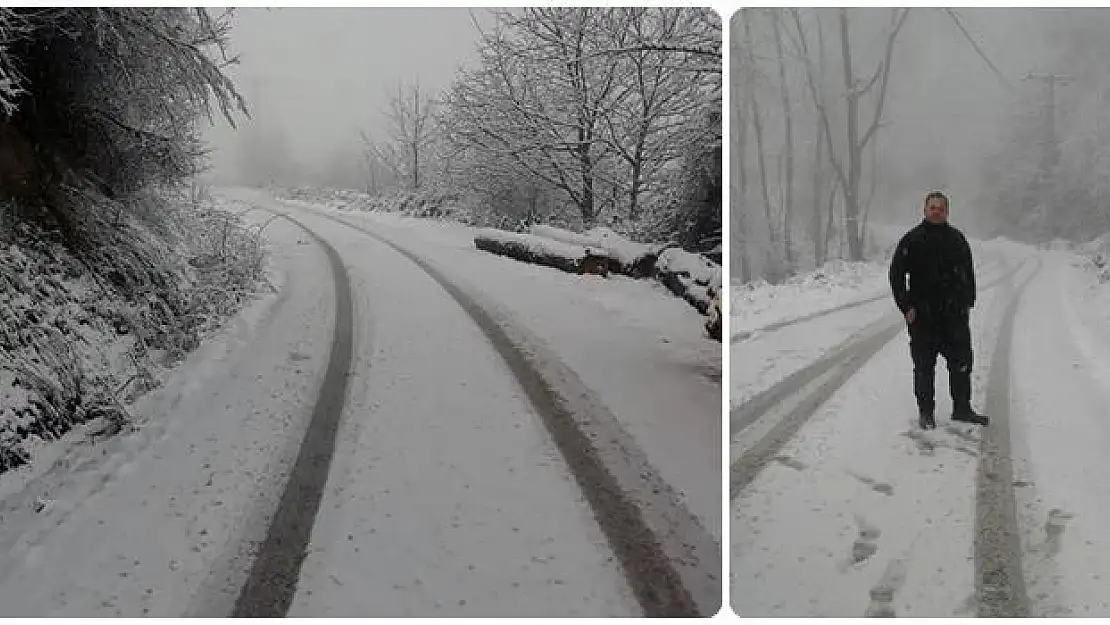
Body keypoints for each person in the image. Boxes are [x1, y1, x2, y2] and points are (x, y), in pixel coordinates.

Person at [889, 191, 989, 429]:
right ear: (924, 210)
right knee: (924, 367)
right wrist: (906, 306)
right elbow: (896, 275)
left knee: (962, 363)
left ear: (947, 211)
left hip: (954, 316)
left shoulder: (957, 239)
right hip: (923, 317)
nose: (936, 211)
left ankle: (962, 409)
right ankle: (926, 413)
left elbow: (968, 272)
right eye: (932, 207)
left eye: (941, 208)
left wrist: (968, 301)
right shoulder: (911, 240)